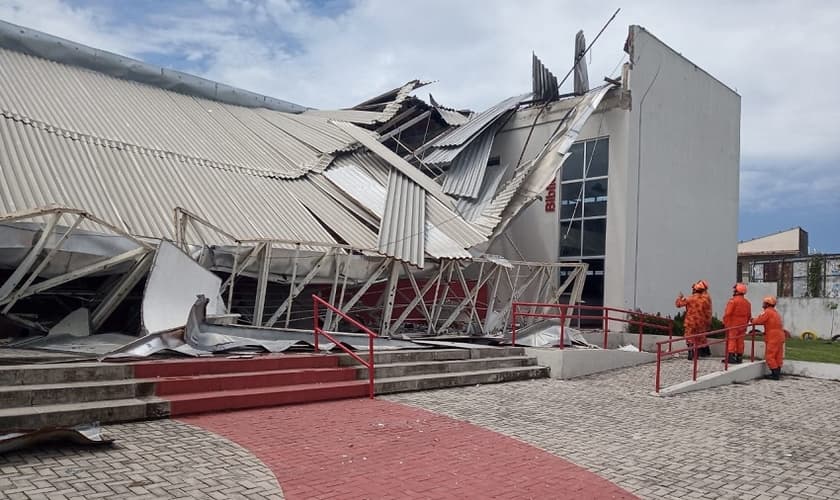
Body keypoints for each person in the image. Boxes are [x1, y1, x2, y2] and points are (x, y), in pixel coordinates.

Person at [675, 280, 712, 359]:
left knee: (689, 338)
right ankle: (697, 354)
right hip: (701, 323)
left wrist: (680, 297)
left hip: (690, 322)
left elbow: (678, 304)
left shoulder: (690, 298)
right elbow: (708, 312)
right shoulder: (706, 300)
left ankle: (690, 353)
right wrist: (708, 323)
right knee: (699, 338)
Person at [752, 296, 785, 380]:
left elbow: (759, 320)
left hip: (773, 336)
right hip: (780, 335)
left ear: (767, 304)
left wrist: (752, 320)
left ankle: (775, 374)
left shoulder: (767, 312)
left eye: (764, 303)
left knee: (770, 355)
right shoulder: (775, 312)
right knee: (778, 355)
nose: (763, 304)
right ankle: (777, 372)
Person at [723, 283, 752, 364]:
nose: (733, 291)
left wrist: (725, 323)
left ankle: (731, 357)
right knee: (740, 341)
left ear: (737, 291)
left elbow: (727, 313)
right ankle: (739, 357)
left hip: (733, 325)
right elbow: (749, 315)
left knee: (731, 340)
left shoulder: (733, 301)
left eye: (734, 290)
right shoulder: (747, 303)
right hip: (743, 325)